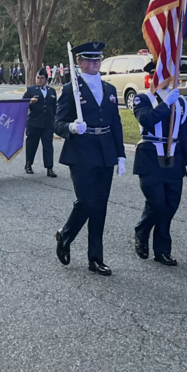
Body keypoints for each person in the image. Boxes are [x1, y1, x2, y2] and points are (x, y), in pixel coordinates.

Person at [54, 41, 125, 275]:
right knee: (86, 201)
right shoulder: (70, 89)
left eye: (98, 59)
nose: (95, 63)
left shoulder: (109, 89)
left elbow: (116, 124)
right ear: (79, 62)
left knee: (100, 206)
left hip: (105, 150)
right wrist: (72, 127)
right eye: (89, 59)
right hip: (81, 151)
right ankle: (65, 236)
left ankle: (95, 258)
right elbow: (58, 123)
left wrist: (121, 154)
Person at [132, 63, 187, 267]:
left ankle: (162, 250)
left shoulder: (181, 101)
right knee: (157, 203)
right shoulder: (143, 98)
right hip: (150, 156)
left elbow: (184, 133)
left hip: (174, 157)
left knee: (170, 205)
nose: (169, 79)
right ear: (154, 76)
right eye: (164, 75)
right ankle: (142, 231)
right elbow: (147, 120)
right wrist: (166, 104)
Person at [22, 68, 58, 177]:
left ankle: (49, 168)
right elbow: (22, 104)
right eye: (38, 78)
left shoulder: (52, 91)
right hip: (34, 122)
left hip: (47, 123)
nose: (39, 80)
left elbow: (54, 107)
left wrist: (54, 120)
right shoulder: (31, 90)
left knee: (48, 146)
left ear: (46, 79)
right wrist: (30, 102)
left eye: (42, 78)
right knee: (31, 145)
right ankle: (28, 164)